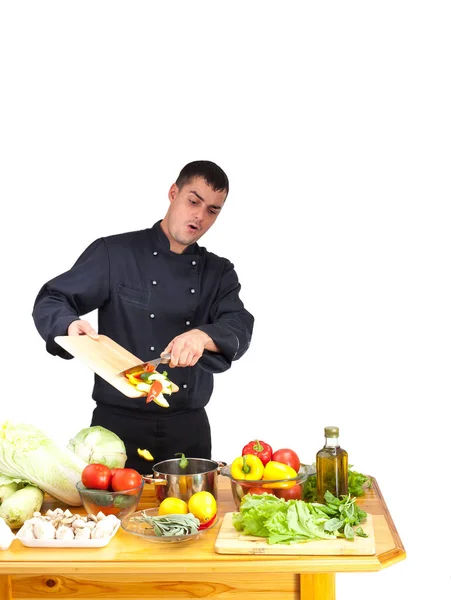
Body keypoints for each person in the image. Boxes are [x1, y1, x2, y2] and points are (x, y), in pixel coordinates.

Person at [32, 160, 254, 473]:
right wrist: (69, 325)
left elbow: (239, 325)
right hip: (115, 432)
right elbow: (53, 298)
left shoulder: (219, 273)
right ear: (173, 192)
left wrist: (203, 336)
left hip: (188, 431)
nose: (200, 216)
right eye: (193, 201)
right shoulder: (115, 253)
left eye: (213, 210)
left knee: (194, 519)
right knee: (108, 521)